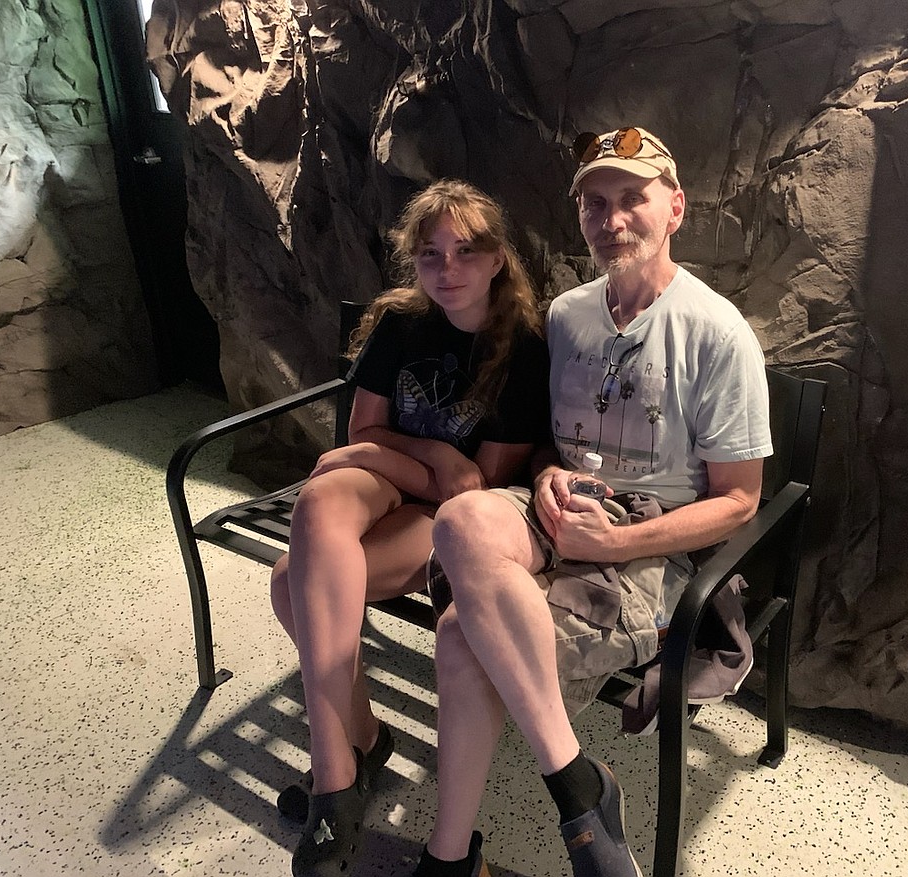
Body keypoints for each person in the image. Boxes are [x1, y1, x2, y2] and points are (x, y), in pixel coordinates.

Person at [417, 127, 774, 877]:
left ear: (674, 208)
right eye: (594, 203)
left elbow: (741, 501)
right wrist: (546, 472)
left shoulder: (716, 333)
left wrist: (611, 545)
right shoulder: (568, 316)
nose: (611, 219)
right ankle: (578, 783)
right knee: (459, 517)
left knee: (459, 636)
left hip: (650, 546)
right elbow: (551, 439)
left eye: (631, 199)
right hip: (559, 510)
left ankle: (449, 859)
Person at [269, 179, 550, 877]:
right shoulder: (399, 324)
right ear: (413, 262)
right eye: (430, 253)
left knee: (288, 583)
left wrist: (375, 451)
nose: (447, 268)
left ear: (496, 260)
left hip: (452, 517)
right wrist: (415, 450)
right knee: (320, 503)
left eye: (465, 251)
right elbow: (366, 433)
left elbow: (473, 484)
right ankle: (338, 773)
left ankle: (360, 749)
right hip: (394, 475)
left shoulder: (522, 349)